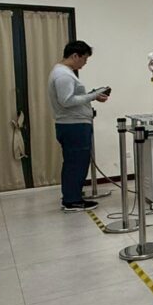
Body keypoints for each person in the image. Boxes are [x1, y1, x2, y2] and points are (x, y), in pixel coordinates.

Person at [47, 40, 109, 212]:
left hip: (73, 124)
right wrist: (93, 96)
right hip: (73, 125)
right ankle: (72, 200)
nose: (85, 63)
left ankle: (72, 195)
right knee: (76, 163)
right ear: (75, 56)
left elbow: (72, 97)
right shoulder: (64, 75)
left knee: (74, 162)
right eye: (84, 59)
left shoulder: (63, 72)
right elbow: (66, 101)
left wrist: (92, 95)